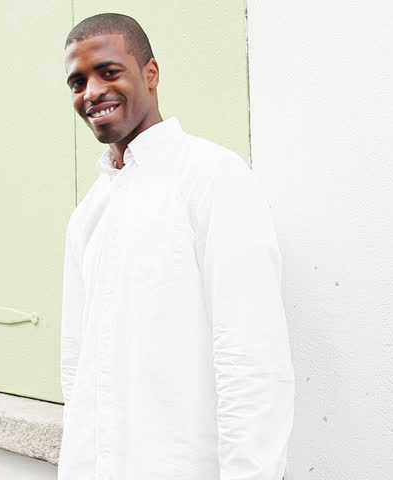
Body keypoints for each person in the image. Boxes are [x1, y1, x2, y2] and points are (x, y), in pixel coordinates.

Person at [58, 13, 295, 480]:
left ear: (150, 73)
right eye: (77, 82)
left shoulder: (212, 178)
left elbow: (251, 357)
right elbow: (76, 363)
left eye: (108, 72)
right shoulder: (91, 212)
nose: (91, 93)